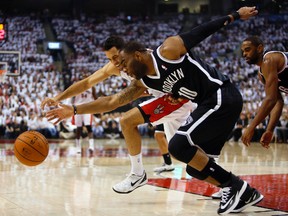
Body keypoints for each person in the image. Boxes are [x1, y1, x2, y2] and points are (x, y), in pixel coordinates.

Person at [44, 7, 263, 214]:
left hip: (220, 94)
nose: (122, 69)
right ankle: (240, 191)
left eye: (123, 63)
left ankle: (237, 187)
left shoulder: (168, 50)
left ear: (137, 55)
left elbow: (201, 31)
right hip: (206, 105)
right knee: (196, 167)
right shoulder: (144, 82)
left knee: (176, 144)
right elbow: (112, 101)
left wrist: (235, 15)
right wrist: (72, 109)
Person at [41, 36, 193, 191]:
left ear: (126, 51)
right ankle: (215, 179)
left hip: (179, 96)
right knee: (182, 152)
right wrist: (57, 97)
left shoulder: (141, 60)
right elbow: (87, 82)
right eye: (109, 59)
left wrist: (73, 109)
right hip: (165, 98)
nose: (113, 62)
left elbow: (119, 99)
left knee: (127, 121)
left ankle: (138, 174)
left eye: (115, 57)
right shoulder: (115, 67)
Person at [241, 36, 288, 148]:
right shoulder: (261, 75)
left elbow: (270, 99)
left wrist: (251, 126)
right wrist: (270, 129)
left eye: (247, 50)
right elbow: (277, 101)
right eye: (243, 51)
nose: (244, 54)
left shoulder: (269, 59)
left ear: (260, 48)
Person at [72, 80, 97, 153]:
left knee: (89, 126)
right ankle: (78, 147)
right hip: (77, 107)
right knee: (79, 128)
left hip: (87, 108)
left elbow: (95, 97)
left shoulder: (92, 87)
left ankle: (91, 146)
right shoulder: (76, 86)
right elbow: (72, 97)